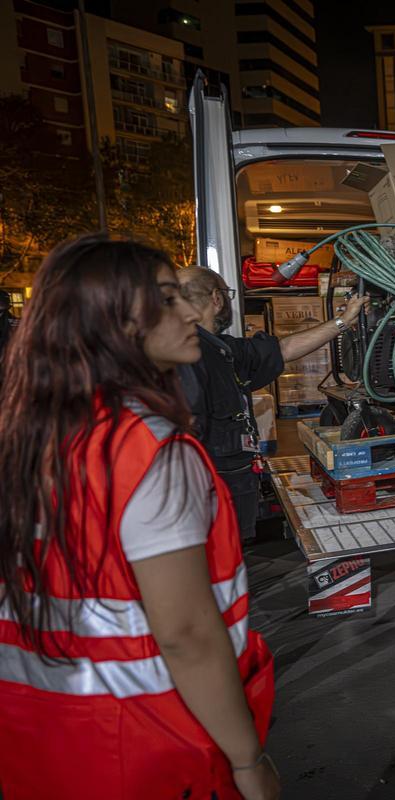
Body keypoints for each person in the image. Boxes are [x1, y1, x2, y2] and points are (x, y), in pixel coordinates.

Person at [0, 235, 279, 800]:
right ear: (116, 323)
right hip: (147, 741)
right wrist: (247, 760)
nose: (187, 314)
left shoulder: (32, 435)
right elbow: (187, 635)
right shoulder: (150, 452)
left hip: (40, 732)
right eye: (166, 299)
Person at [177, 267, 368, 540]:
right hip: (211, 490)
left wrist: (343, 321)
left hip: (224, 484)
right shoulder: (189, 354)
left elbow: (282, 349)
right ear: (217, 299)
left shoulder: (221, 349)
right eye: (229, 295)